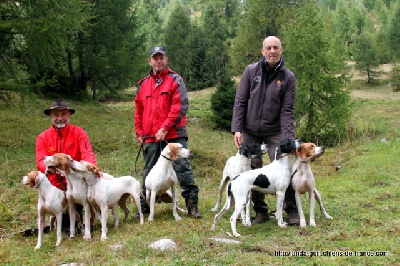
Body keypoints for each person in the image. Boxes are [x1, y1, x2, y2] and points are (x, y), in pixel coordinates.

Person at [231, 36, 300, 225]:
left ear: (281, 50)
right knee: (252, 169)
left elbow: (287, 111)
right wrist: (237, 128)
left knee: (284, 168)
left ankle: (290, 210)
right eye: (268, 48)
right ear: (262, 51)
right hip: (250, 129)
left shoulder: (288, 78)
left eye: (275, 48)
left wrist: (288, 140)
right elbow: (240, 101)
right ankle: (260, 211)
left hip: (275, 131)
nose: (272, 51)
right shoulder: (250, 71)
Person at [134, 46, 201, 219]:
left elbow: (180, 107)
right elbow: (138, 111)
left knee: (183, 169)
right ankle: (144, 207)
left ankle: (192, 205)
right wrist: (140, 132)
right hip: (150, 136)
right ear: (150, 61)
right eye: (155, 58)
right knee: (149, 169)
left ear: (166, 60)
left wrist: (165, 127)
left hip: (173, 134)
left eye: (161, 58)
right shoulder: (143, 85)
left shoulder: (176, 80)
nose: (158, 61)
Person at [36, 99, 98, 233]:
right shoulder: (43, 137)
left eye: (63, 114)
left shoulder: (79, 133)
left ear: (69, 115)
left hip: (77, 183)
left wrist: (92, 167)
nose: (60, 118)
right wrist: (48, 169)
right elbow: (40, 161)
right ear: (50, 116)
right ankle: (64, 215)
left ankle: (85, 214)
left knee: (87, 205)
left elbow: (87, 153)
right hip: (55, 186)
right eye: (56, 115)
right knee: (66, 228)